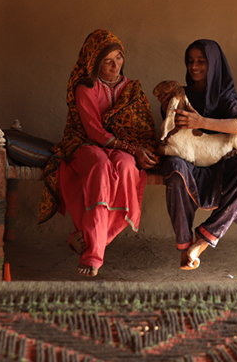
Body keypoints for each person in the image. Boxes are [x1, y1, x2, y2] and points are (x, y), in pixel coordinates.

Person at [38, 29, 158, 277]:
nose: (116, 65)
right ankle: (93, 256)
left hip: (121, 147)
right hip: (85, 143)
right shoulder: (85, 87)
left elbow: (142, 128)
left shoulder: (132, 89)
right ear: (94, 62)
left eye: (119, 57)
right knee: (101, 166)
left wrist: (135, 149)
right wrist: (131, 148)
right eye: (107, 61)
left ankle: (88, 238)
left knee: (127, 166)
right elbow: (93, 131)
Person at [158, 39, 237, 270]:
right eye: (190, 61)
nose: (194, 66)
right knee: (173, 166)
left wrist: (202, 122)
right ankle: (185, 245)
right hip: (190, 162)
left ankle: (204, 240)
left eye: (201, 61)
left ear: (213, 63)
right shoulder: (183, 94)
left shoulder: (225, 96)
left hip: (221, 165)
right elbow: (172, 130)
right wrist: (167, 109)